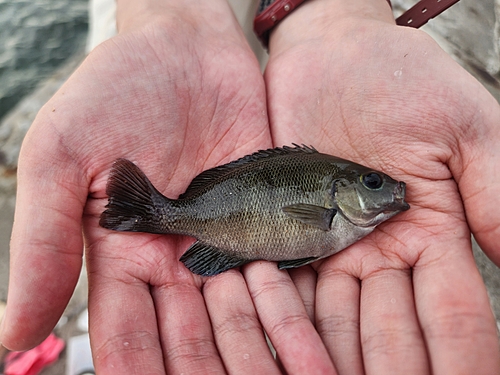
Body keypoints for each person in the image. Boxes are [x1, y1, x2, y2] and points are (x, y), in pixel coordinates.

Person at [1, 0, 499, 373]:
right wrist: (172, 17)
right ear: (344, 189)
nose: (387, 188)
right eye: (373, 182)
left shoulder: (343, 205)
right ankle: (152, 209)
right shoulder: (333, 204)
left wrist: (335, 15)